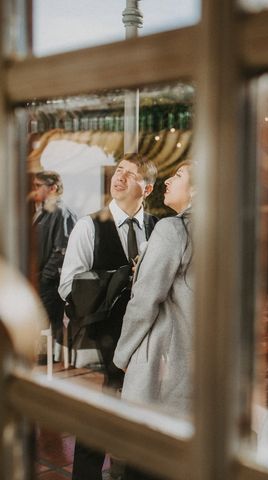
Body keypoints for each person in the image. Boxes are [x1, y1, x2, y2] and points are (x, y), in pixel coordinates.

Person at [59, 153, 157, 480]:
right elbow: (67, 286)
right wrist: (117, 278)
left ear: (147, 188)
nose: (120, 177)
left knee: (140, 428)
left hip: (143, 348)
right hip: (99, 345)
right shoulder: (89, 226)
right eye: (119, 171)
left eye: (130, 174)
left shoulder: (158, 229)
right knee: (94, 430)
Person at [113, 162, 194, 480]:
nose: (169, 180)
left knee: (144, 464)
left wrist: (122, 356)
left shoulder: (173, 228)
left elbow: (144, 301)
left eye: (179, 175)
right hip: (198, 369)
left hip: (163, 365)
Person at [31, 171, 77, 346]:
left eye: (37, 185)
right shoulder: (45, 211)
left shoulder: (61, 212)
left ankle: (53, 363)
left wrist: (44, 277)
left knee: (49, 324)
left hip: (49, 283)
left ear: (53, 188)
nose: (34, 189)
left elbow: (62, 250)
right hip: (42, 280)